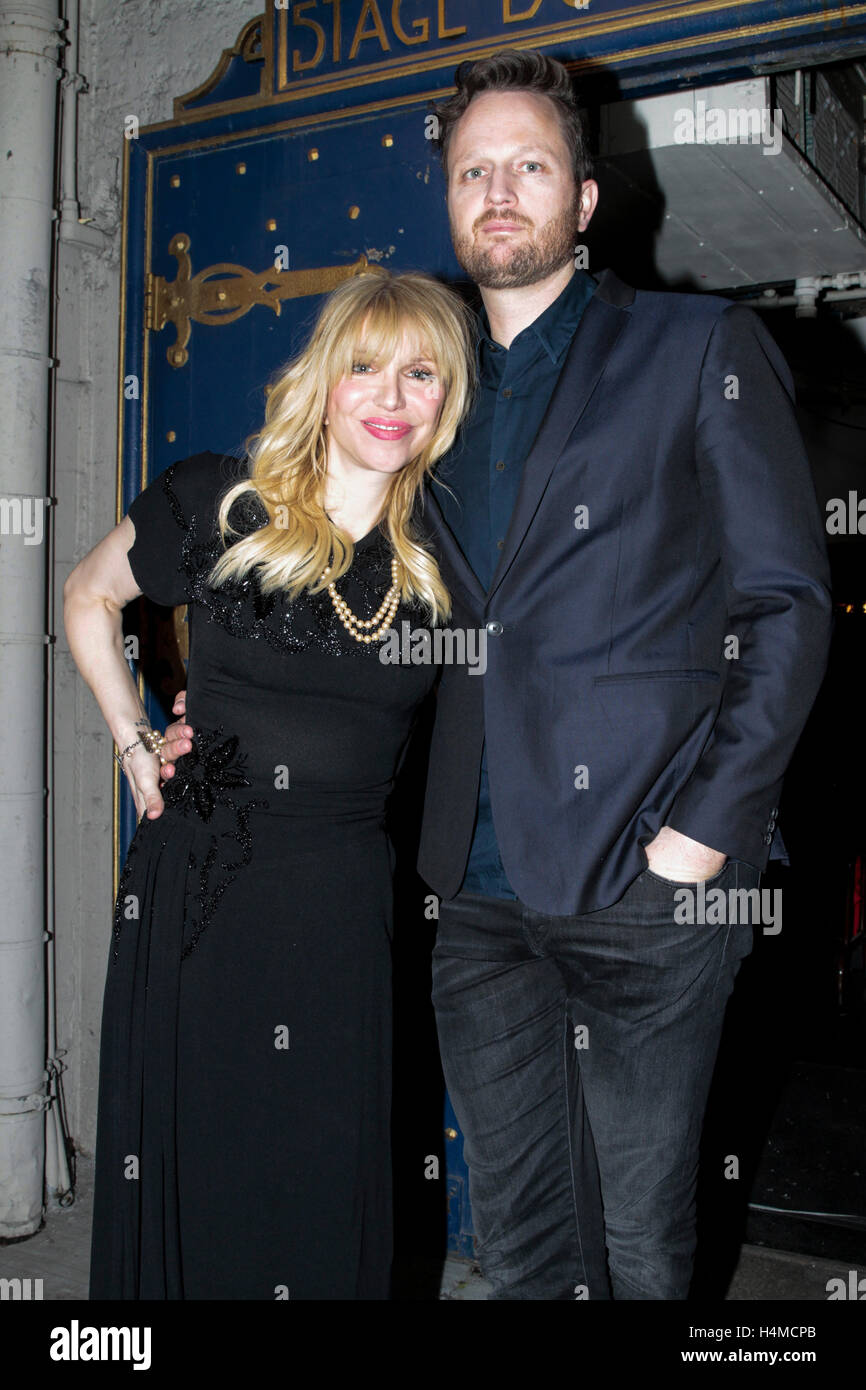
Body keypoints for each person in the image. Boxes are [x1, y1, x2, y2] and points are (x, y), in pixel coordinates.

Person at [162, 51, 833, 1300]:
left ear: (583, 199)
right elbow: (333, 580)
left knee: (641, 1245)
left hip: (650, 877)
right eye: (474, 170)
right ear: (452, 202)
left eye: (530, 164)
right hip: (468, 899)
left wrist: (703, 833)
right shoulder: (425, 390)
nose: (500, 190)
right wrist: (225, 714)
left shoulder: (697, 346)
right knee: (520, 1243)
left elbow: (786, 605)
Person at [64, 268, 475, 1300]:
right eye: (366, 368)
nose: (390, 396)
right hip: (203, 893)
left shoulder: (440, 570)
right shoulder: (221, 497)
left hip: (341, 913)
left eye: (420, 373)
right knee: (206, 1159)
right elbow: (86, 594)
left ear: (446, 399)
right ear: (323, 383)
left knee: (320, 1174)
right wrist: (132, 738)